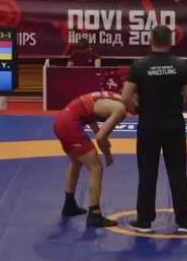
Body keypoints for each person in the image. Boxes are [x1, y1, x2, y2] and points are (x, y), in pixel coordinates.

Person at [121, 25, 187, 234]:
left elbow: (125, 97)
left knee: (147, 172)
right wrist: (174, 105)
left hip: (149, 125)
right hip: (173, 125)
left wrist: (137, 110)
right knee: (177, 172)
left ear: (151, 40)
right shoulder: (181, 65)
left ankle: (144, 221)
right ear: (171, 41)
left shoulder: (139, 65)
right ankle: (184, 221)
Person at [53, 91, 132, 227]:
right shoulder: (120, 109)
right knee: (96, 167)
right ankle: (94, 214)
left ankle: (69, 205)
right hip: (69, 125)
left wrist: (104, 145)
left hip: (60, 121)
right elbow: (101, 137)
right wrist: (107, 154)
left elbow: (92, 118)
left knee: (76, 162)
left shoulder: (112, 97)